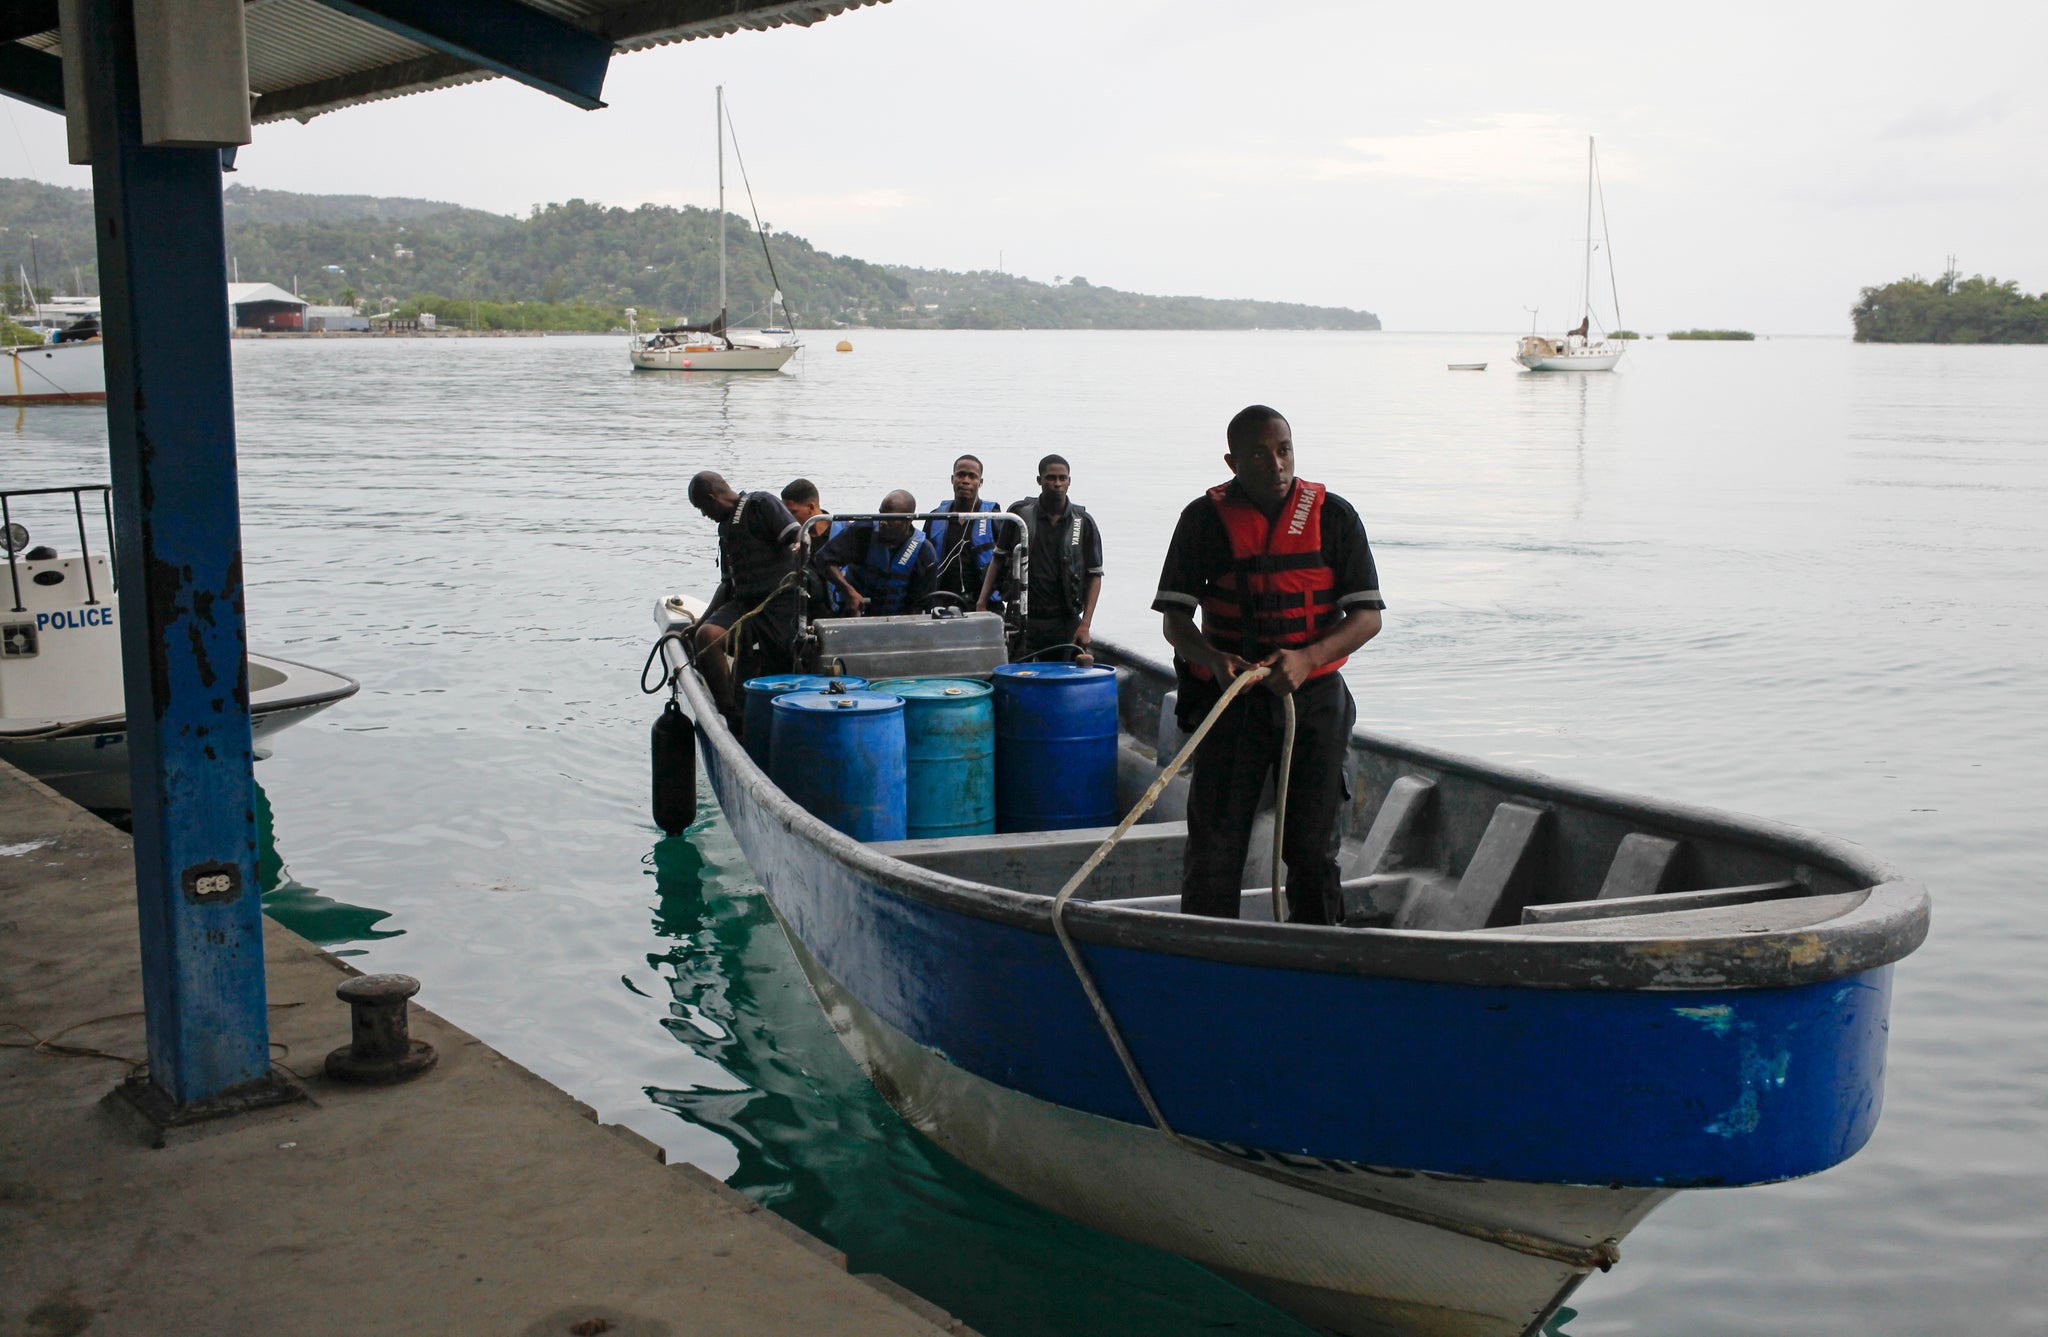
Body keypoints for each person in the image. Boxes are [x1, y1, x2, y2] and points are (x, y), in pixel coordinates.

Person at [1152, 406, 1384, 925]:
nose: (1276, 464)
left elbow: (1367, 618)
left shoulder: (1334, 516)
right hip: (1230, 701)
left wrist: (1308, 658)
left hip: (1315, 702)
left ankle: (1320, 953)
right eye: (1259, 454)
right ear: (1233, 462)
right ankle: (1206, 952)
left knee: (1313, 851)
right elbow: (1175, 622)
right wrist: (1212, 658)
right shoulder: (1202, 520)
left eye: (1284, 450)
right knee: (1216, 847)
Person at [689, 470, 802, 723]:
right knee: (706, 637)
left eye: (702, 508)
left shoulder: (761, 504)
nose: (704, 515)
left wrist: (799, 543)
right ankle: (730, 713)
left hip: (780, 605)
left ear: (712, 498)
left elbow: (796, 534)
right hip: (744, 606)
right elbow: (727, 585)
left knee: (784, 660)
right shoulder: (726, 530)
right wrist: (699, 623)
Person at [980, 454, 1102, 661]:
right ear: (1039, 480)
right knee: (1018, 673)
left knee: (1062, 679)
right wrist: (982, 602)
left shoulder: (1083, 522)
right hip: (1023, 616)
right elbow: (998, 559)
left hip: (1065, 619)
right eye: (1051, 478)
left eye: (1062, 478)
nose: (1057, 484)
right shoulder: (1018, 516)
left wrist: (1085, 625)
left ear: (1069, 481)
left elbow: (1095, 575)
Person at [818, 489, 940, 617]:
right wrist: (848, 591)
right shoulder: (863, 532)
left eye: (891, 518)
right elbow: (823, 559)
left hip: (898, 620)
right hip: (854, 614)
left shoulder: (925, 554)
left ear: (909, 520)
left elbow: (921, 604)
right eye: (882, 514)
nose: (883, 522)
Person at [925, 454, 1003, 610]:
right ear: (952, 479)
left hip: (984, 604)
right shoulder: (935, 517)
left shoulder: (994, 517)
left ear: (980, 482)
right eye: (960, 475)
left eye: (972, 476)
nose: (965, 480)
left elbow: (1005, 559)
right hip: (942, 602)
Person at [782, 477, 846, 616]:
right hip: (805, 613)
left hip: (840, 609)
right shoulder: (790, 540)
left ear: (811, 507)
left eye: (793, 512)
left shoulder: (844, 532)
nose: (789, 519)